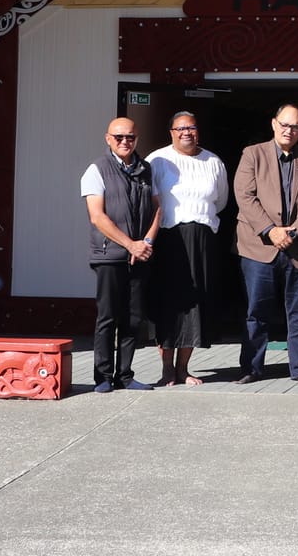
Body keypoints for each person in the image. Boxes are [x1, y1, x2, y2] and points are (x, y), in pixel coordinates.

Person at [232, 104, 298, 385]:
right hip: (259, 246)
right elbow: (244, 197)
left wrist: (292, 232)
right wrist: (270, 231)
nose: (288, 130)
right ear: (273, 124)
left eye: (295, 126)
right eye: (284, 124)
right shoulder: (252, 154)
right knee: (257, 310)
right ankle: (252, 367)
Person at [149, 112, 229, 387]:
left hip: (203, 238)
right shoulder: (157, 160)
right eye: (181, 128)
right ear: (171, 132)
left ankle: (184, 368)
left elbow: (219, 200)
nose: (187, 133)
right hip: (169, 239)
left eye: (192, 127)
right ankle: (167, 369)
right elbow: (148, 201)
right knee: (169, 305)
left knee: (196, 305)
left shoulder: (213, 161)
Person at [80, 117, 159, 393]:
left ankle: (125, 375)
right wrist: (130, 244)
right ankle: (102, 377)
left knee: (134, 318)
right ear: (107, 138)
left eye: (130, 137)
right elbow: (97, 217)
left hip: (140, 255)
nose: (125, 142)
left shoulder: (146, 169)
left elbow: (157, 207)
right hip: (109, 255)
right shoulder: (96, 169)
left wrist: (146, 241)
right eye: (119, 137)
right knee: (108, 316)